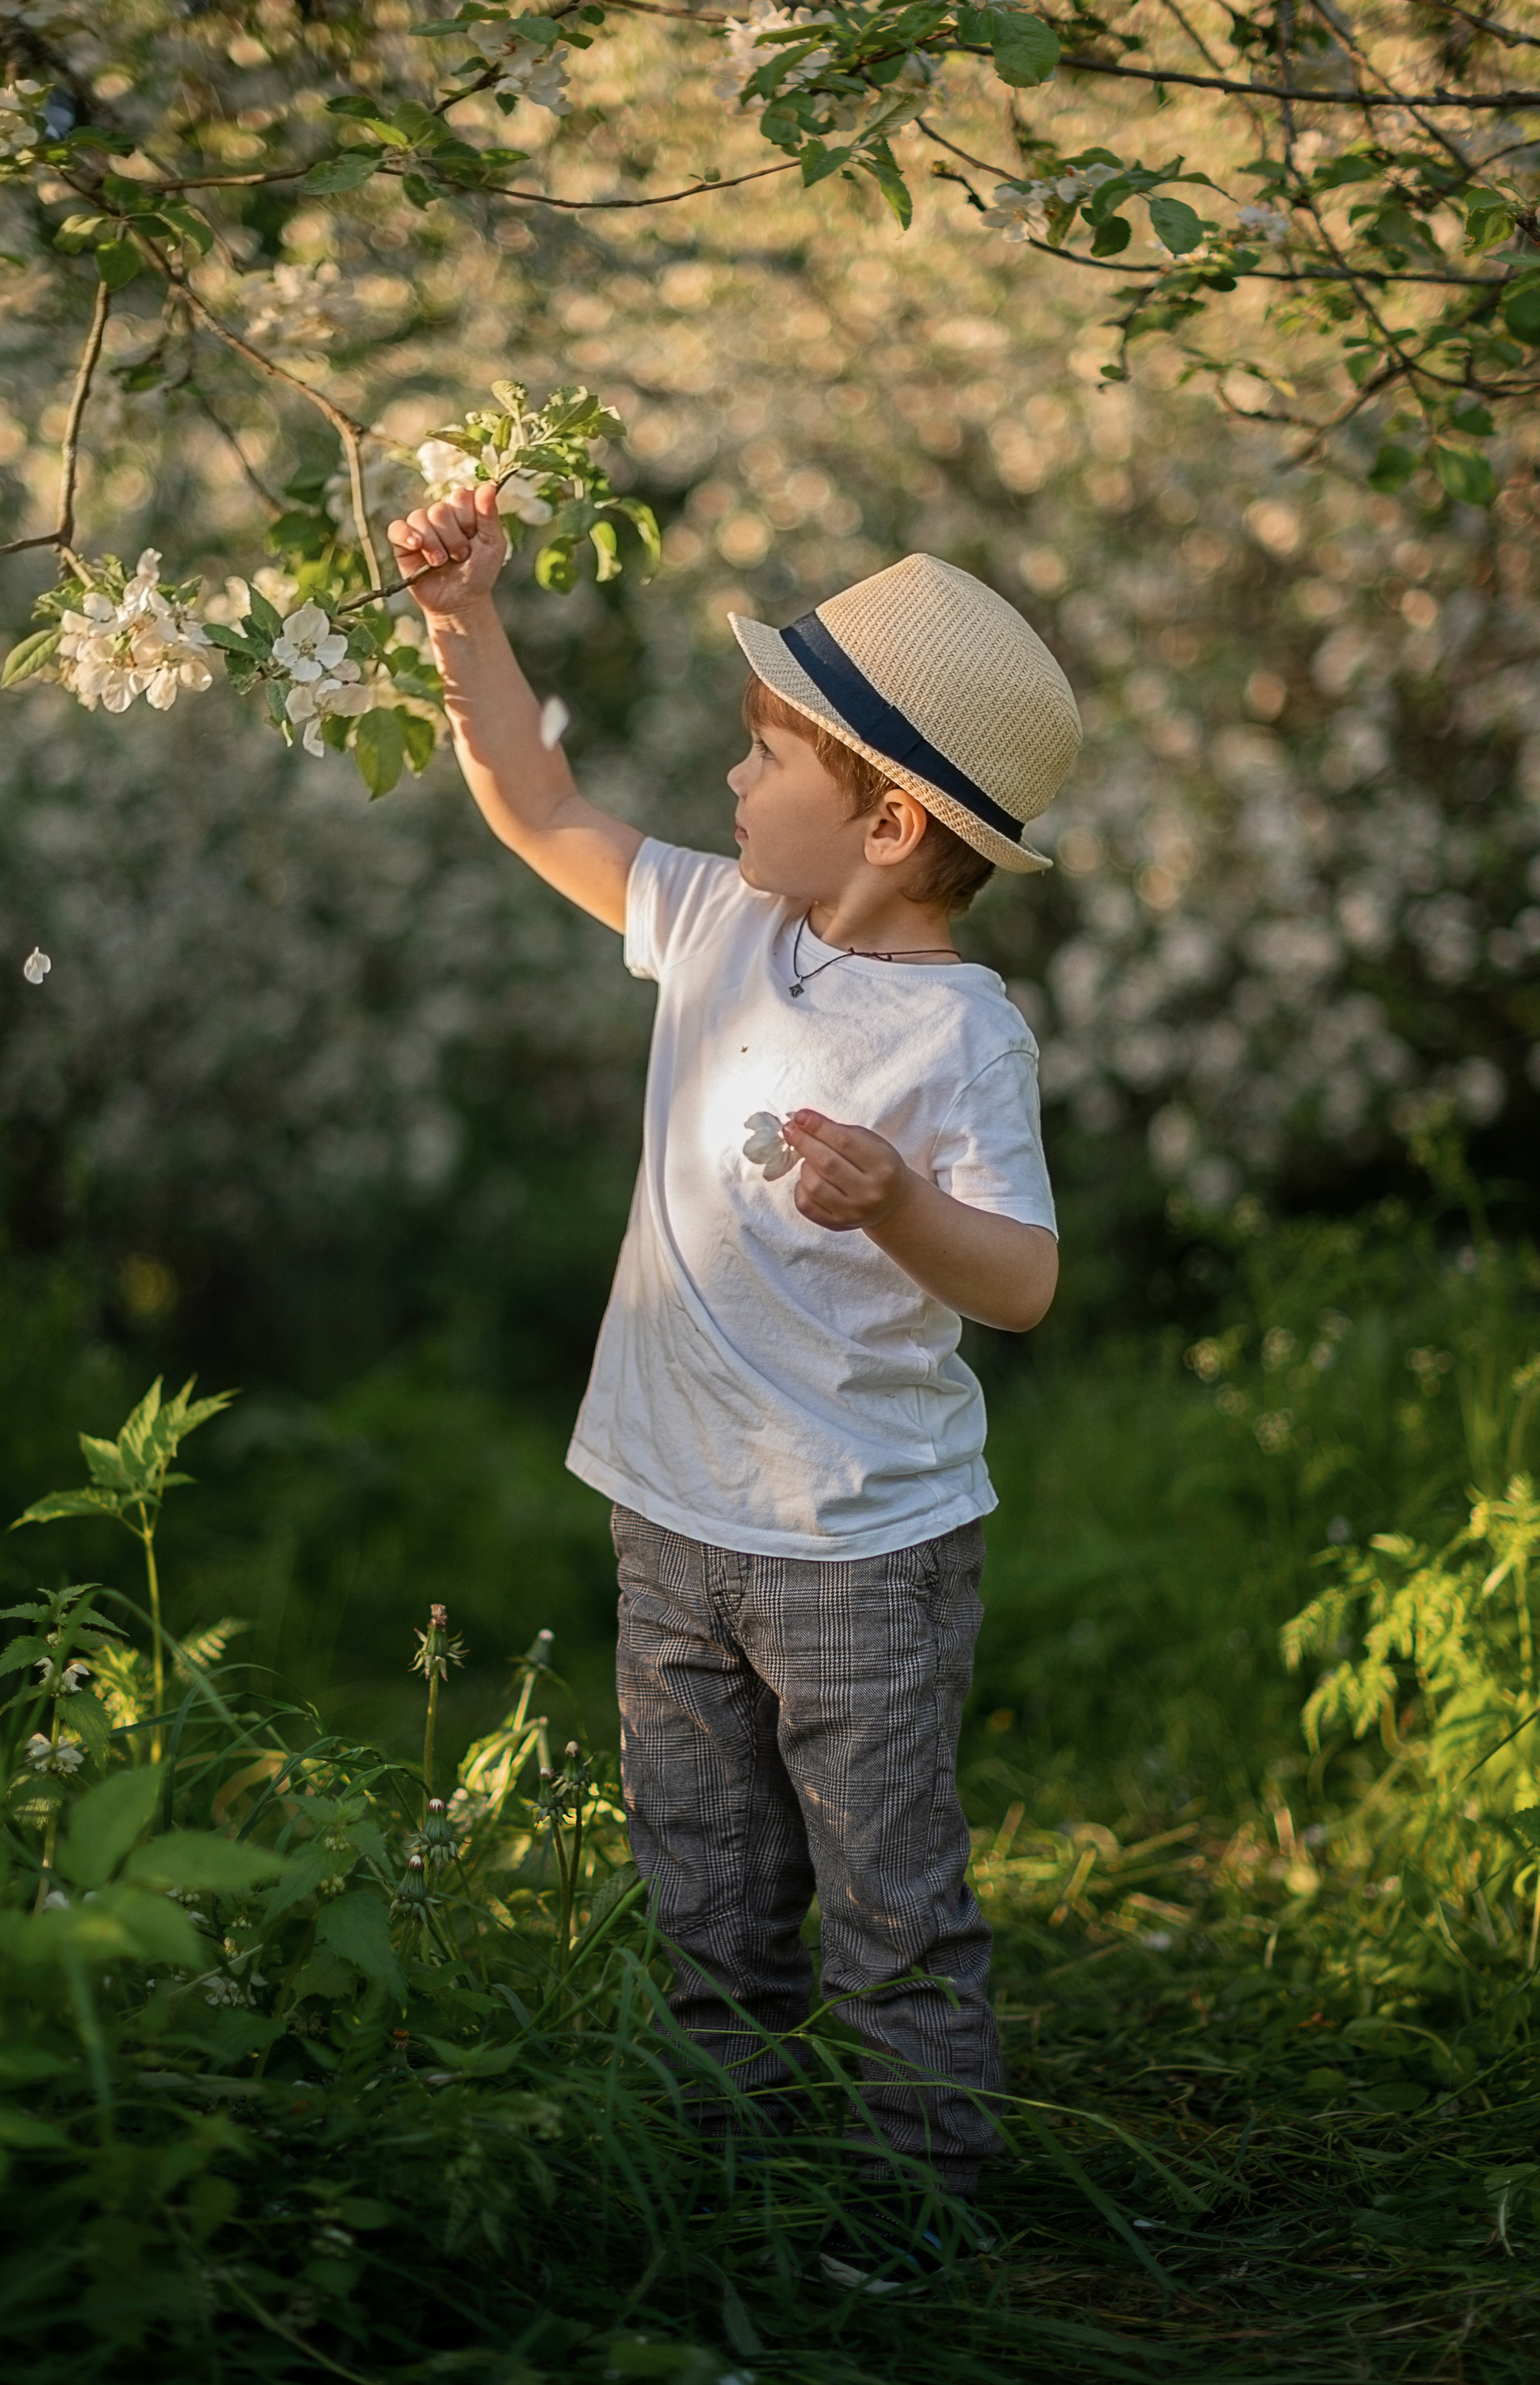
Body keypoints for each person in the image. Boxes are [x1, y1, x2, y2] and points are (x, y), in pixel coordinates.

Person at [389, 483, 1080, 2280]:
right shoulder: (714, 925)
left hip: (858, 1552)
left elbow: (1022, 1280)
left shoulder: (955, 1033)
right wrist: (464, 620)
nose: (726, 784)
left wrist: (905, 1204)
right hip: (668, 1520)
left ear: (887, 814)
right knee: (702, 1899)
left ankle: (910, 2236)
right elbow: (535, 805)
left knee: (884, 1905)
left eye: (761, 756)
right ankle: (722, 2202)